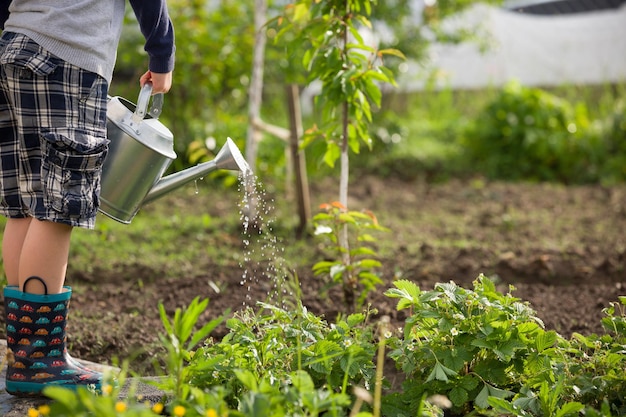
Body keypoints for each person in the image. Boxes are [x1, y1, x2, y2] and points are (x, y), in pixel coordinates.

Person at [0, 0, 175, 396]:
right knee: (57, 209)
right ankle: (39, 363)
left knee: (25, 204)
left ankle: (29, 353)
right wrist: (162, 55)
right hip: (69, 58)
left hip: (13, 49)